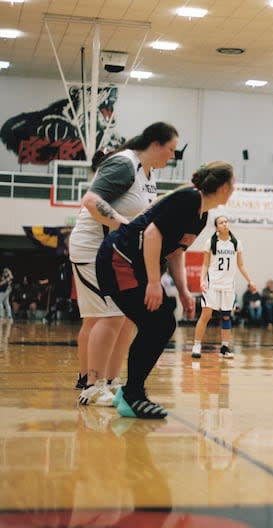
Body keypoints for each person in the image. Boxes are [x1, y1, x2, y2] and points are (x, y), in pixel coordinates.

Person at [96, 160, 236, 418]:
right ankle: (131, 394)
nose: (234, 188)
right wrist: (152, 282)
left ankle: (131, 392)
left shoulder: (202, 216)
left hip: (134, 265)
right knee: (158, 323)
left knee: (160, 323)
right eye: (233, 184)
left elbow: (175, 253)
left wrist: (183, 291)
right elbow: (151, 235)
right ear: (224, 186)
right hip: (119, 260)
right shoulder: (187, 199)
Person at [69, 122, 178, 405]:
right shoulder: (123, 164)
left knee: (127, 317)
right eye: (171, 149)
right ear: (155, 143)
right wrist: (124, 225)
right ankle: (91, 386)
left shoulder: (148, 172)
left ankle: (110, 381)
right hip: (92, 249)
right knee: (110, 315)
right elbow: (91, 201)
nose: (172, 156)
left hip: (118, 252)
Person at [191, 215, 256, 359]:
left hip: (228, 285)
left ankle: (225, 347)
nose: (225, 224)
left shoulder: (236, 243)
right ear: (216, 227)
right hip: (212, 284)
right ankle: (196, 345)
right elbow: (205, 264)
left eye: (226, 221)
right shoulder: (211, 242)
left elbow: (241, 265)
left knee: (226, 317)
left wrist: (250, 281)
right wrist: (202, 280)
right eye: (221, 222)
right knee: (206, 315)